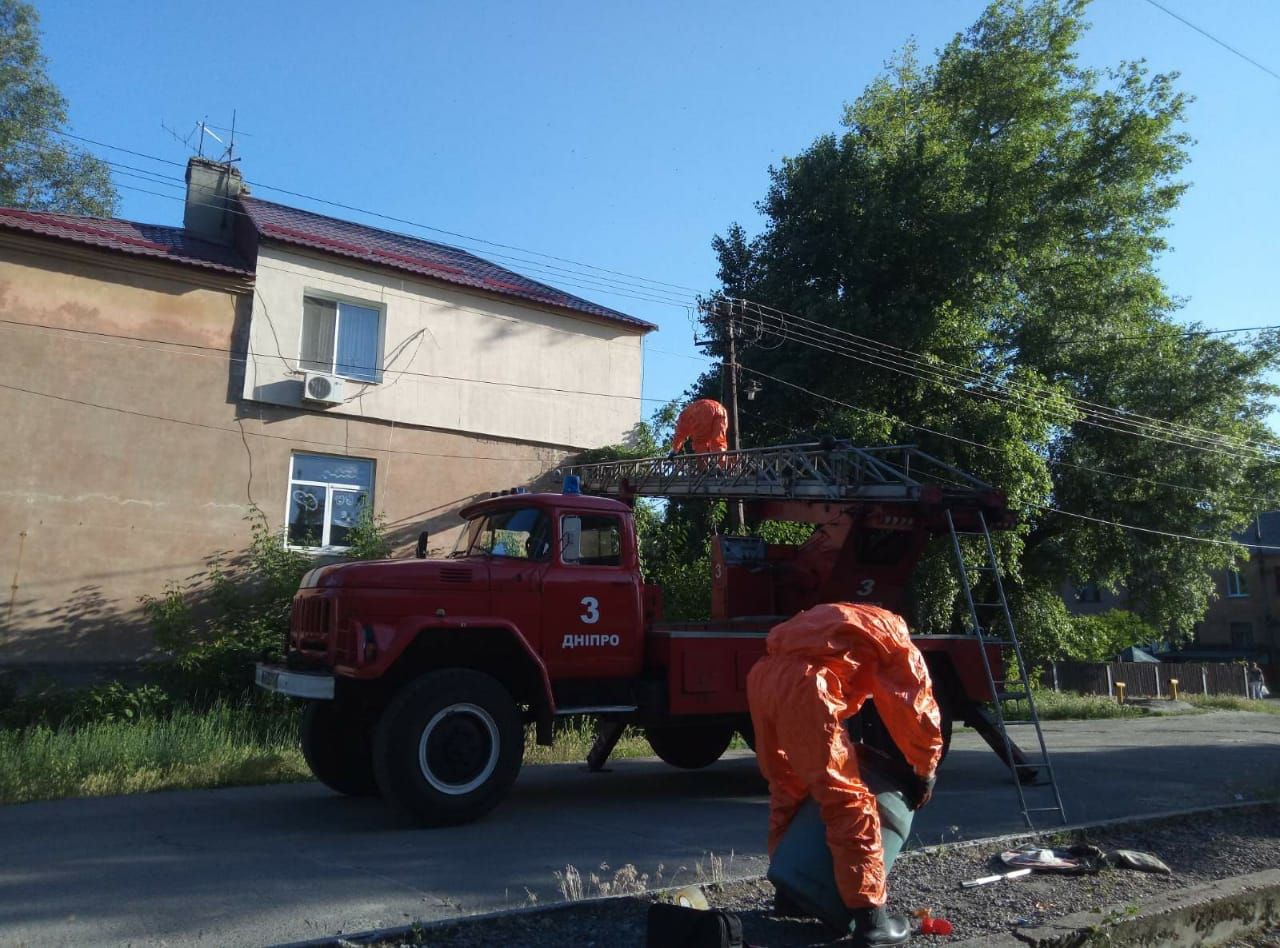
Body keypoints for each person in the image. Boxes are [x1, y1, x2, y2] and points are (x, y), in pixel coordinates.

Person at [747, 603, 943, 947]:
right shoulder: (894, 636)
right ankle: (872, 922)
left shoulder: (844, 622)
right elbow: (916, 706)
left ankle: (790, 890)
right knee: (847, 798)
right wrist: (925, 768)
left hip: (764, 678)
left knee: (789, 785)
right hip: (808, 685)